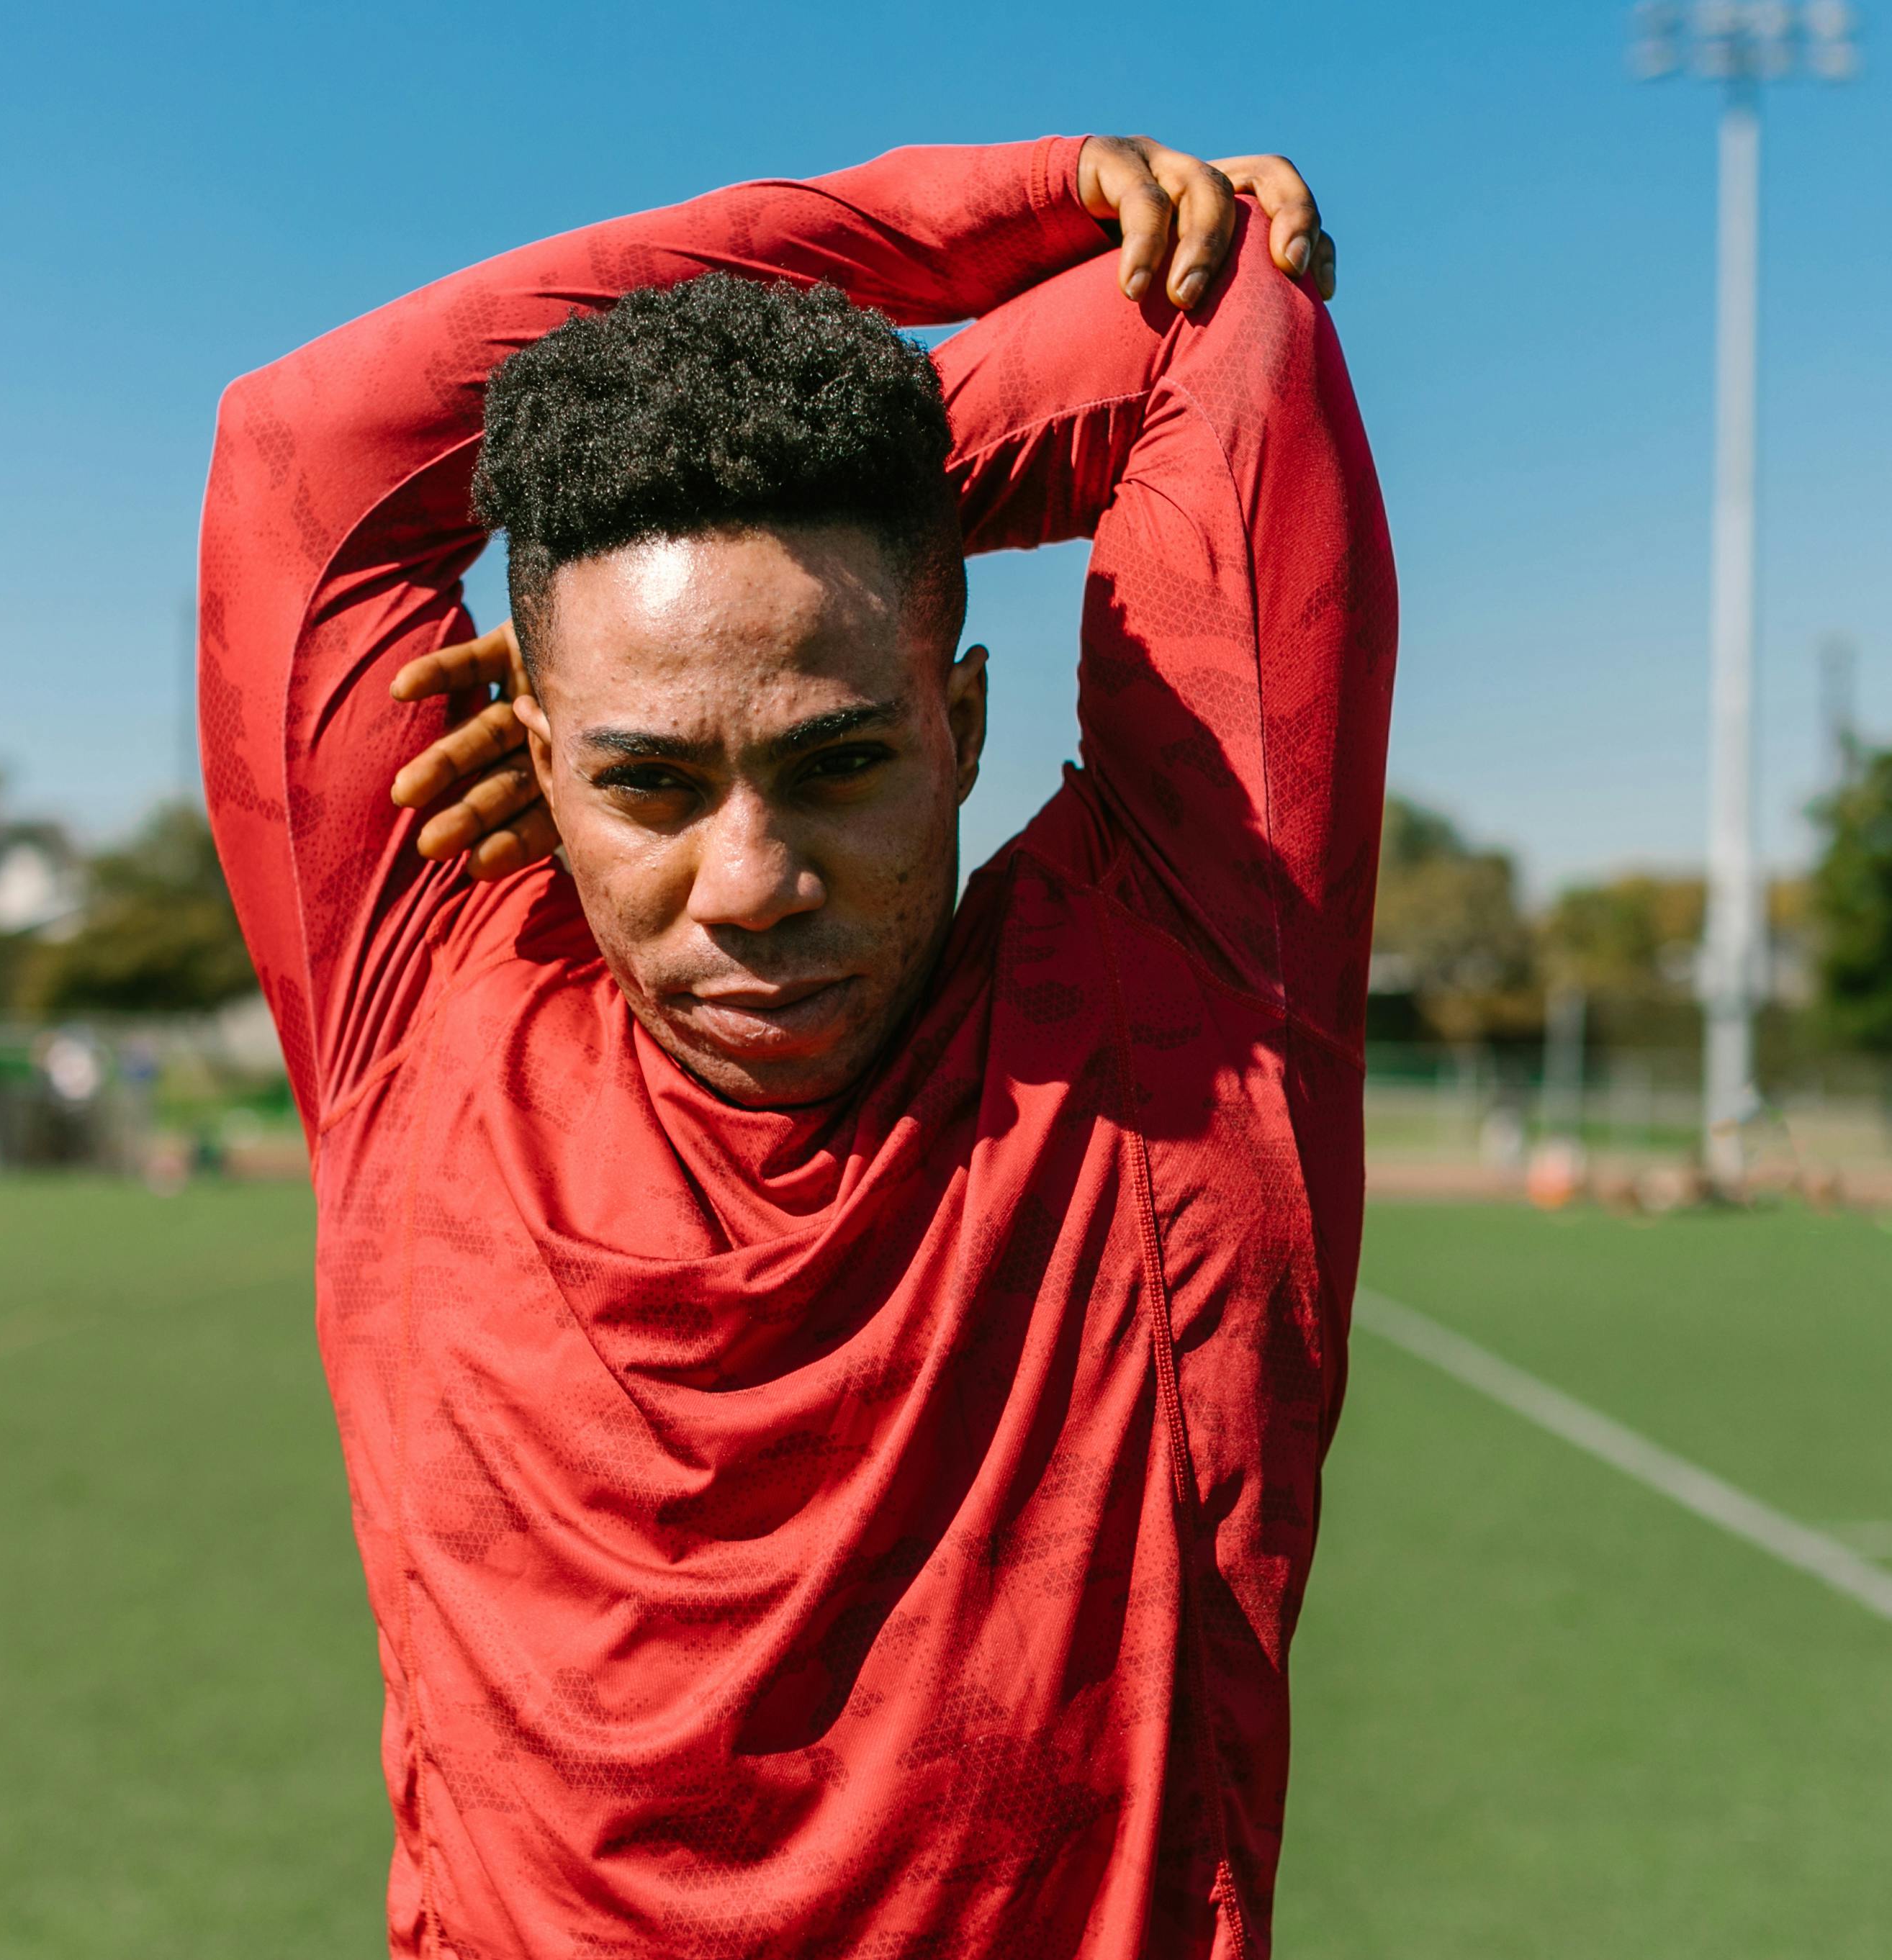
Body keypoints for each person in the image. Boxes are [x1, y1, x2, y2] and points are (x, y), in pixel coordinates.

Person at [199, 131, 1392, 1959]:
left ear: (961, 719)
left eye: (838, 759)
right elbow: (303, 446)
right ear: (527, 758)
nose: (749, 884)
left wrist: (813, 496)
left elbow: (1202, 328)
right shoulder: (419, 977)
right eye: (646, 782)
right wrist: (979, 220)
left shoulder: (1177, 1010)